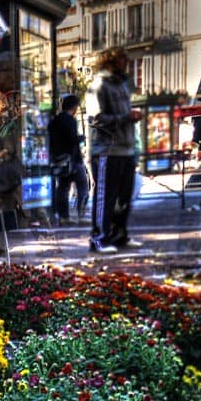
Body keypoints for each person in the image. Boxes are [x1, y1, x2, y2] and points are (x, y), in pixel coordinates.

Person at [87, 46, 143, 253]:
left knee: (123, 198)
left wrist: (130, 117)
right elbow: (95, 119)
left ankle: (119, 235)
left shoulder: (121, 86)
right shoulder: (99, 86)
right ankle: (99, 238)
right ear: (111, 62)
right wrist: (126, 118)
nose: (127, 62)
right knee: (106, 197)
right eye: (123, 59)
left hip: (125, 149)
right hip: (107, 151)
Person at [48, 94, 90, 226]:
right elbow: (72, 140)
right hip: (72, 159)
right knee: (83, 185)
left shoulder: (54, 121)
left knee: (63, 188)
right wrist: (81, 138)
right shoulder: (70, 120)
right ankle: (81, 215)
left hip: (59, 160)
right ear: (74, 107)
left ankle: (63, 217)